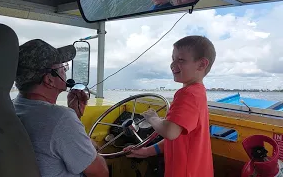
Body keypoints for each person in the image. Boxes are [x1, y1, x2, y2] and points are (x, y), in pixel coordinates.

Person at [13, 39, 109, 177]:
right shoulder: (60, 118)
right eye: (63, 68)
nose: (65, 71)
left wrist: (75, 114)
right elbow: (100, 173)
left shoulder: (11, 108)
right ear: (49, 79)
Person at [124, 35, 216, 177]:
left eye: (180, 60)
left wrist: (153, 119)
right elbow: (177, 138)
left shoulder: (187, 94)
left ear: (201, 64)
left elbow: (170, 132)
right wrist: (147, 151)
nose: (173, 65)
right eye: (173, 59)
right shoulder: (198, 93)